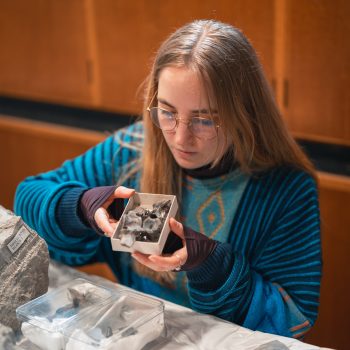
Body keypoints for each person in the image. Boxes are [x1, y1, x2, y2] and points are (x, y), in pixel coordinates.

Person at [14, 19, 321, 338]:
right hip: (135, 335)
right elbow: (27, 199)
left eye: (204, 120)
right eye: (167, 112)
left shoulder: (286, 188)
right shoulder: (130, 151)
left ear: (244, 112)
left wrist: (213, 266)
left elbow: (293, 318)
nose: (180, 139)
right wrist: (80, 207)